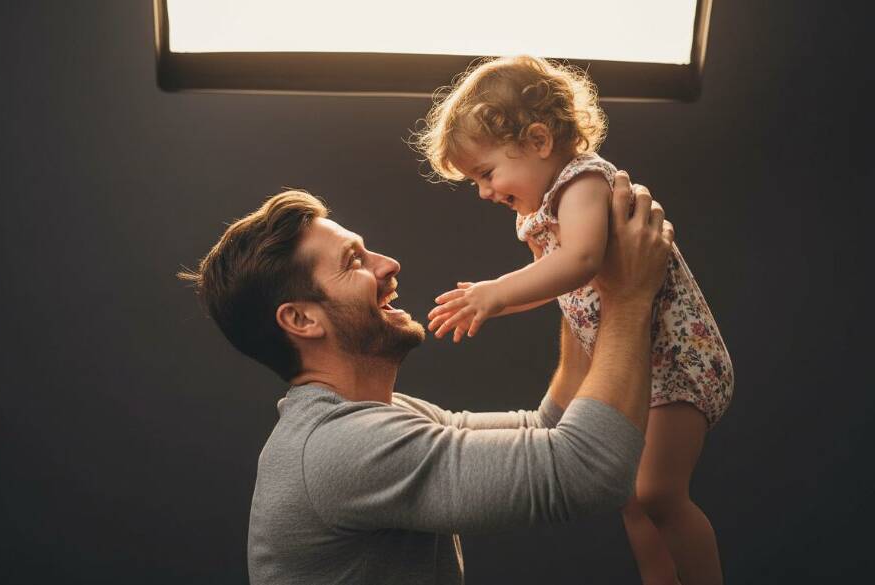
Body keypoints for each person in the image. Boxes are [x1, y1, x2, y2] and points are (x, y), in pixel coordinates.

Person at [178, 173, 672, 585]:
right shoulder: (340, 450)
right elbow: (587, 471)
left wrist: (580, 281)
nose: (388, 265)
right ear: (302, 321)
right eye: (355, 262)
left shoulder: (386, 417)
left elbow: (548, 426)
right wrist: (627, 297)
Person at [414, 55, 733, 585]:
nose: (485, 192)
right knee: (630, 499)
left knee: (658, 492)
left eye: (487, 173)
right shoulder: (544, 208)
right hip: (645, 370)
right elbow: (554, 284)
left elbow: (580, 261)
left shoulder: (583, 182)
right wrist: (494, 302)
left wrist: (497, 293)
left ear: (539, 140)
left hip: (679, 364)